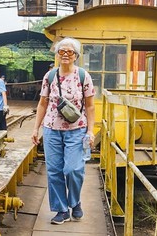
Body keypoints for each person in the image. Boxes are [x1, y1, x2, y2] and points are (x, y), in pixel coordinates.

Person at [31, 37, 95, 225]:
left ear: (76, 55)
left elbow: (90, 106)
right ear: (57, 54)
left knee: (73, 169)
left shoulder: (83, 76)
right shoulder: (49, 76)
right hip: (51, 130)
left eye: (70, 52)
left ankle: (75, 202)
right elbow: (43, 103)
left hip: (77, 130)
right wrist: (36, 128)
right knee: (54, 171)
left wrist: (91, 131)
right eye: (62, 51)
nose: (66, 54)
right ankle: (61, 209)